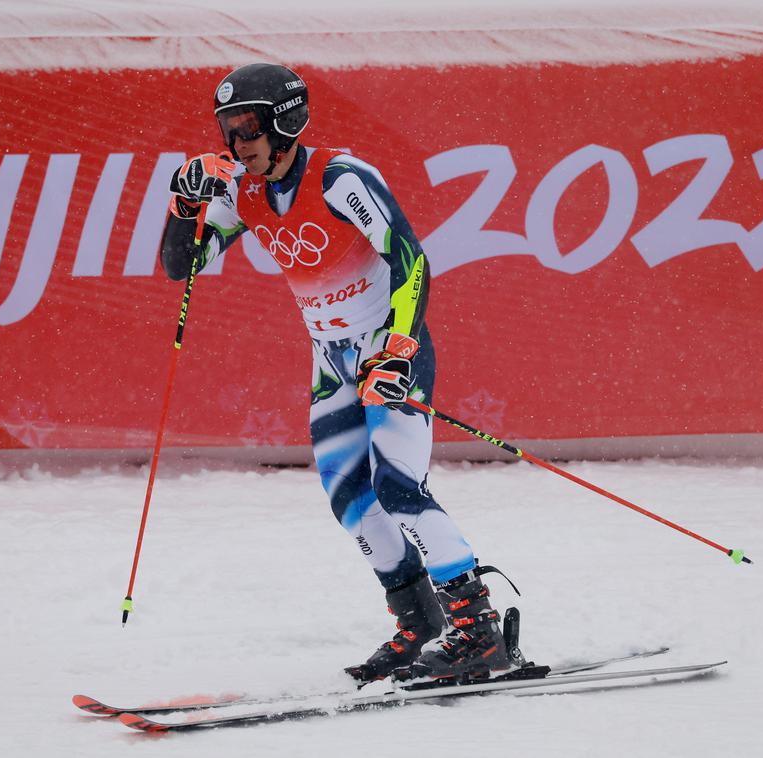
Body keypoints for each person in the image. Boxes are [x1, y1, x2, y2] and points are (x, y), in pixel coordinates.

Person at [159, 62, 518, 683]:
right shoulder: (243, 191)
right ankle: (420, 623)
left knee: (400, 486)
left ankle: (480, 632)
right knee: (350, 498)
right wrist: (183, 203)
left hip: (387, 346)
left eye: (247, 127)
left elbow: (409, 258)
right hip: (331, 362)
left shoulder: (340, 178)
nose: (237, 143)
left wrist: (398, 350)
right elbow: (181, 264)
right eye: (227, 129)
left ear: (285, 121)